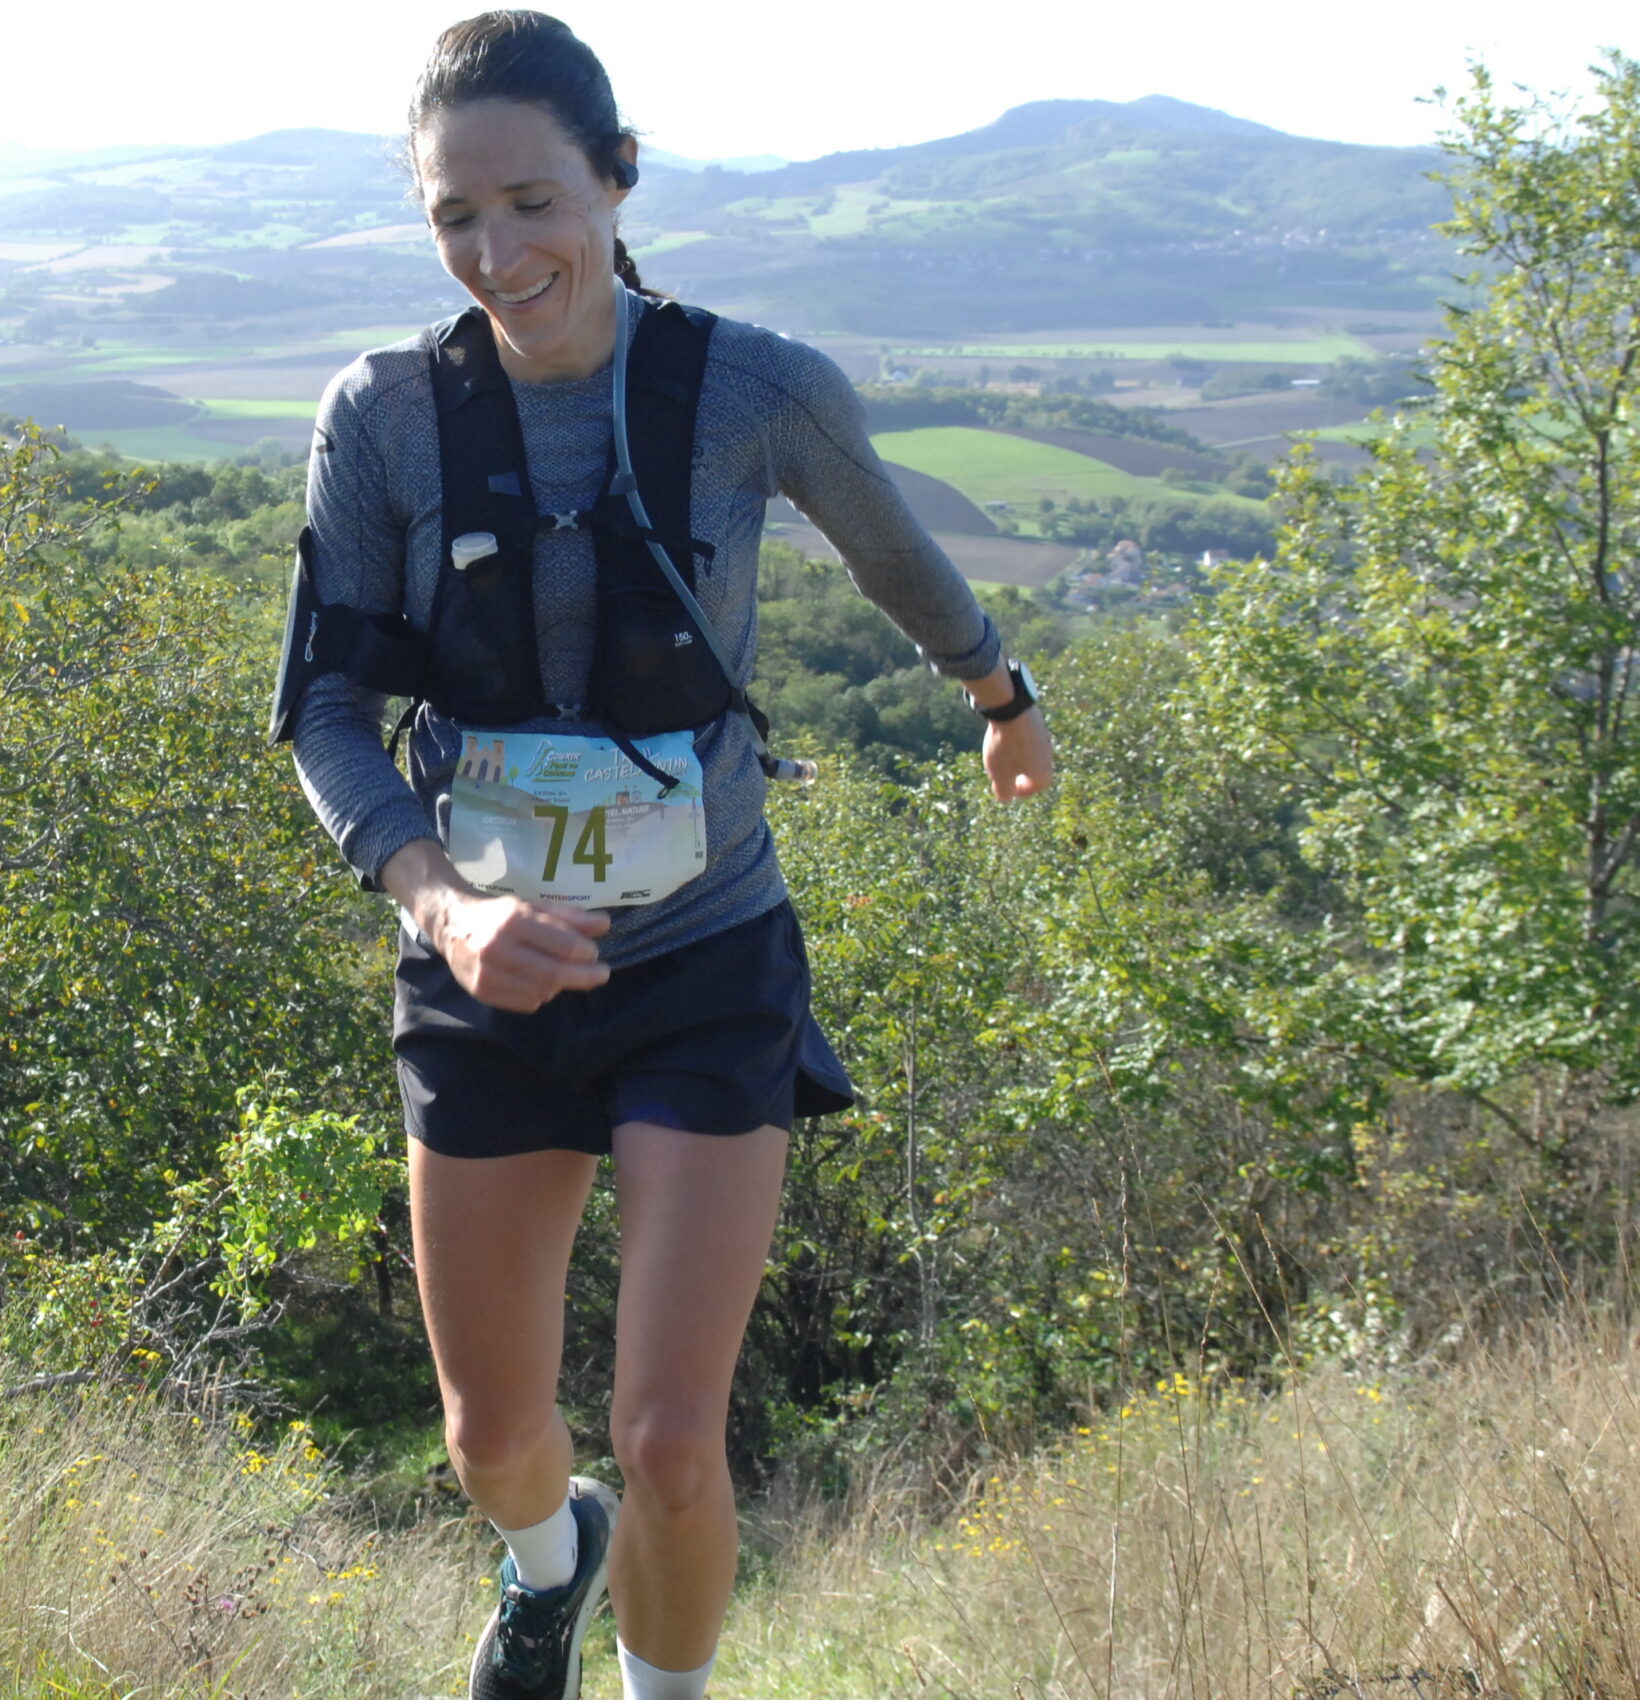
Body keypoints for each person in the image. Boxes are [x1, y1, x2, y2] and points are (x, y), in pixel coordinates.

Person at [269, 12, 1056, 1699]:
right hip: (482, 976)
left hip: (703, 957)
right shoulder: (386, 416)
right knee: (492, 1437)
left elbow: (895, 553)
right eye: (456, 217)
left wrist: (1001, 695)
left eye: (533, 202)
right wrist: (443, 905)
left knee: (672, 1439)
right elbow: (328, 708)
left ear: (619, 180)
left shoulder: (753, 390)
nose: (498, 254)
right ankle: (549, 1562)